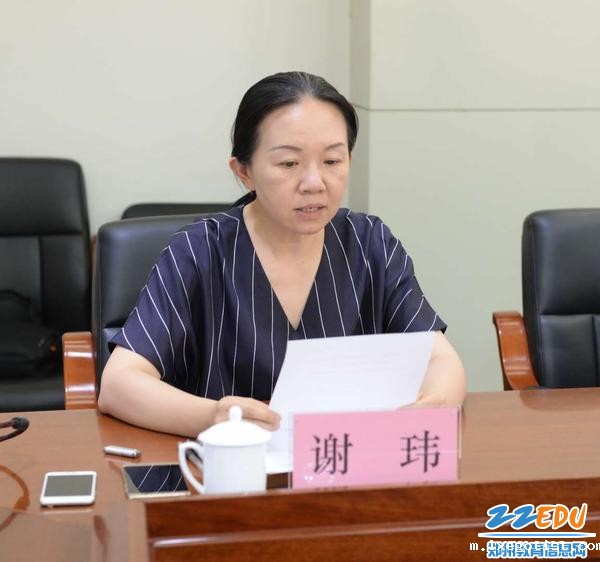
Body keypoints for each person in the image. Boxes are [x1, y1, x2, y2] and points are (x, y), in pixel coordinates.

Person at [98, 71, 466, 437]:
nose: (314, 183)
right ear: (244, 171)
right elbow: (119, 383)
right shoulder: (199, 251)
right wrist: (212, 416)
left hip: (349, 461)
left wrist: (435, 404)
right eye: (289, 164)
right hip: (229, 464)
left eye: (332, 161)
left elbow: (439, 358)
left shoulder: (371, 244)